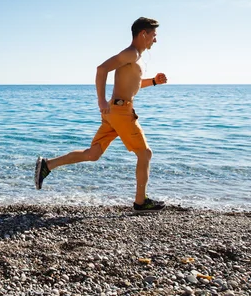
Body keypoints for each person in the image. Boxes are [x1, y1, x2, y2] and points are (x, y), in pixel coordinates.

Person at [35, 17, 168, 213]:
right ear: (143, 34)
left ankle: (47, 165)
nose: (155, 40)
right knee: (145, 153)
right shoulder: (131, 53)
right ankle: (141, 202)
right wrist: (101, 100)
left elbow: (132, 84)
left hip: (114, 113)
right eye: (153, 35)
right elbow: (102, 69)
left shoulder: (135, 56)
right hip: (121, 112)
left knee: (93, 153)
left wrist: (154, 82)